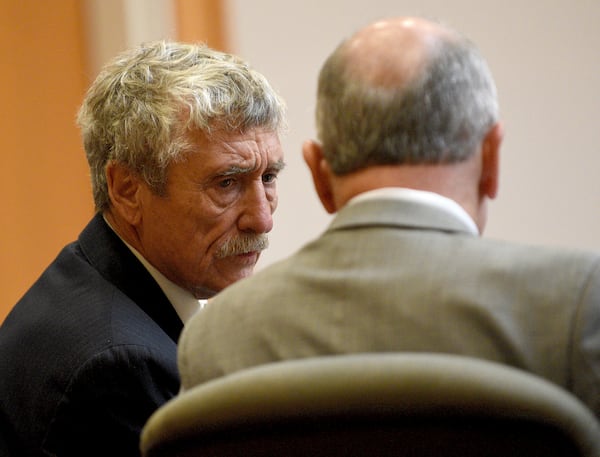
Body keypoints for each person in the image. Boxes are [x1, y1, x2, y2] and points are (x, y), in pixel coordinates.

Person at [177, 16, 600, 418]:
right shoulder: (575, 305)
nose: (263, 218)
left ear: (319, 173)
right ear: (491, 159)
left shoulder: (215, 339)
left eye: (268, 176)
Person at [0, 40, 286, 456]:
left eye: (269, 177)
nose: (262, 219)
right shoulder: (118, 368)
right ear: (128, 190)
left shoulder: (90, 280)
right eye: (226, 183)